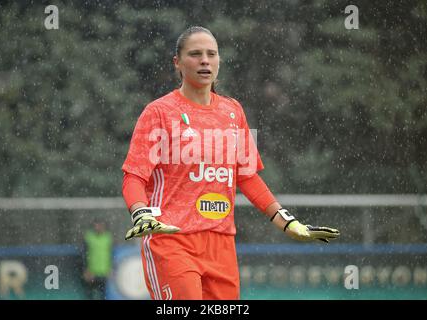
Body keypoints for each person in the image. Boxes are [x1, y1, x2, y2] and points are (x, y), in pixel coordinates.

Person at [121, 26, 340, 300]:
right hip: (173, 240)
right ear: (177, 62)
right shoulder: (159, 113)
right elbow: (134, 176)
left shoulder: (232, 111)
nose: (205, 60)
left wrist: (287, 221)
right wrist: (141, 212)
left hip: (221, 243)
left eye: (211, 54)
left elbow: (246, 176)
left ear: (219, 61)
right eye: (195, 54)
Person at [82, 219, 113, 300]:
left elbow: (110, 254)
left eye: (101, 225)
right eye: (97, 225)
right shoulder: (89, 237)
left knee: (103, 295)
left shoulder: (108, 237)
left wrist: (110, 269)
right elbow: (84, 254)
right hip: (91, 272)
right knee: (90, 295)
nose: (99, 227)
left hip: (104, 272)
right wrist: (86, 269)